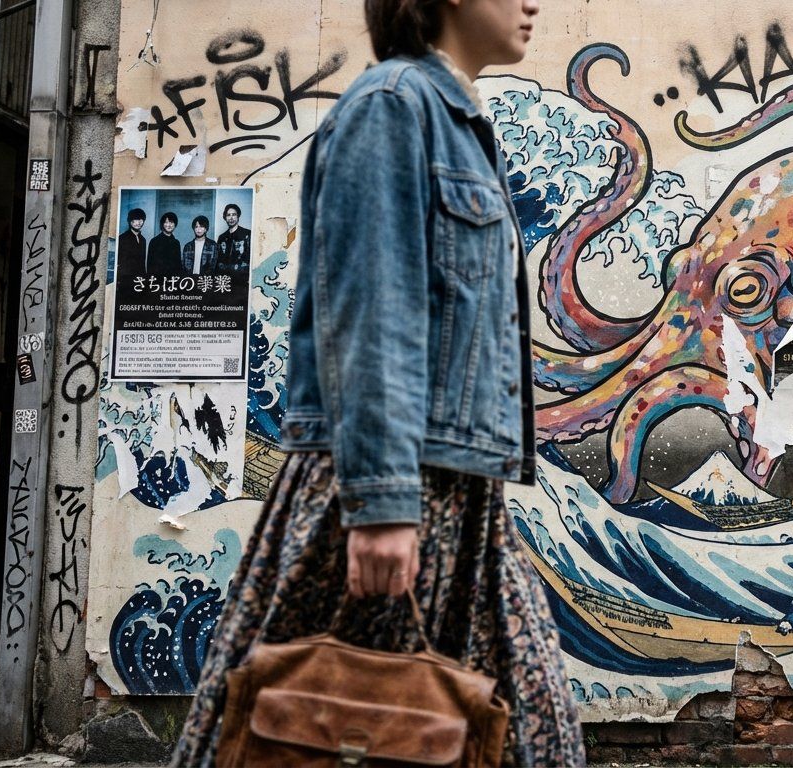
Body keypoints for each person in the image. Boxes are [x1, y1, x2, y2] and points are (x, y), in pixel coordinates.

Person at [171, 0, 583, 766]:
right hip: (389, 491)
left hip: (458, 496)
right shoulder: (393, 107)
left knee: (506, 734)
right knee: (327, 724)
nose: (534, 3)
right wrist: (384, 506)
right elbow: (370, 311)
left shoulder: (456, 118)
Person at [215, 203, 251, 274]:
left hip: (242, 277)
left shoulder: (247, 234)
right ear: (225, 218)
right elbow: (218, 260)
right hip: (225, 277)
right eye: (228, 215)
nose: (231, 218)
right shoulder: (222, 237)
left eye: (234, 214)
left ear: (238, 216)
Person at [116, 208, 149, 278]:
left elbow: (142, 263)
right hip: (126, 278)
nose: (138, 223)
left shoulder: (143, 240)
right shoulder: (122, 238)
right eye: (135, 220)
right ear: (130, 221)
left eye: (141, 220)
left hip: (140, 279)